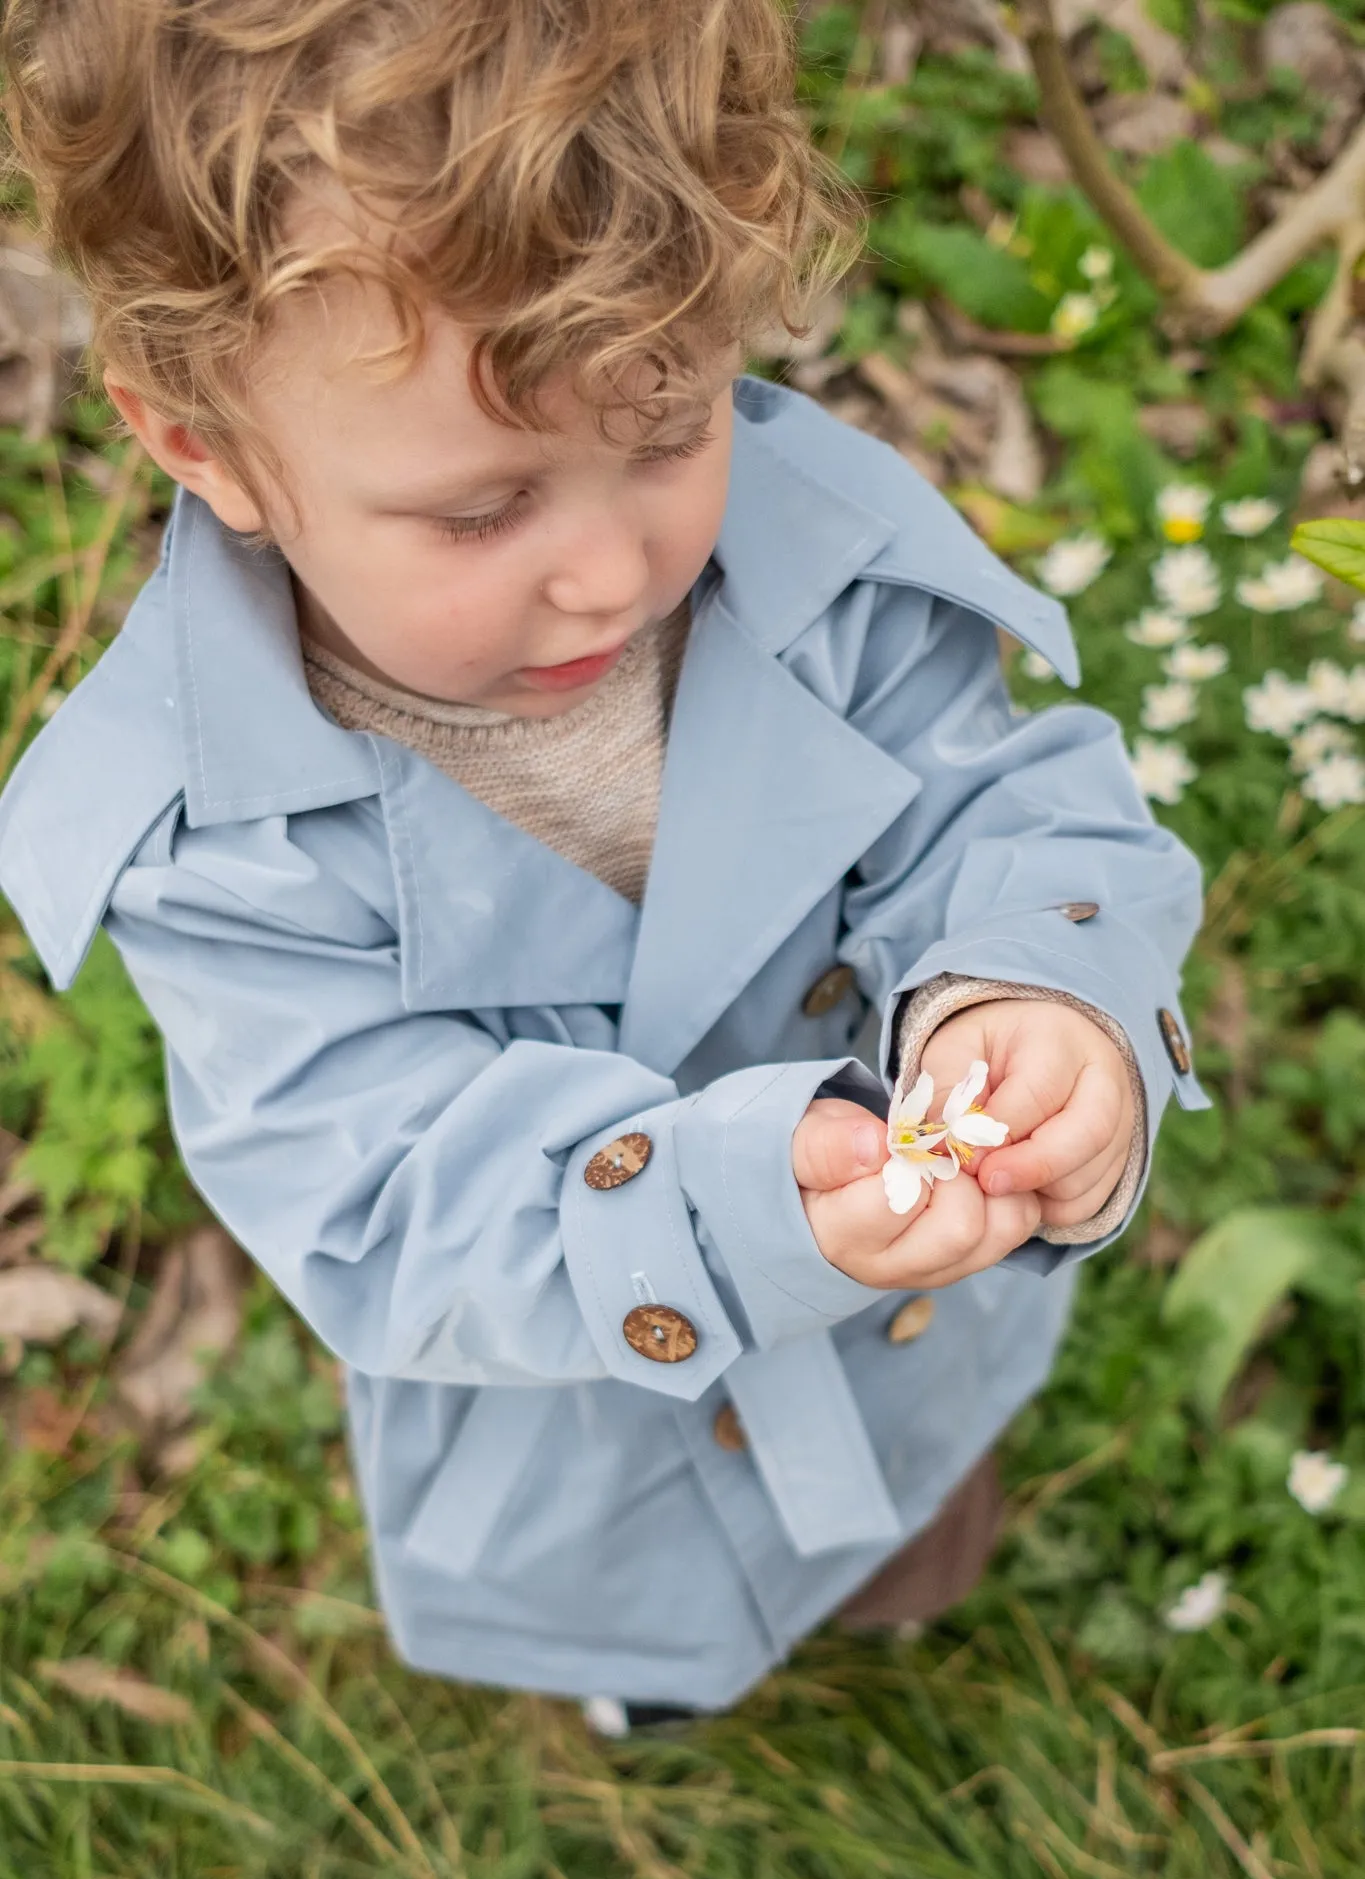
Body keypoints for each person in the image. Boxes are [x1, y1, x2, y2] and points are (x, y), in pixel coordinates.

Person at [0, 0, 1206, 1729]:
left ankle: (904, 1589)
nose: (606, 575)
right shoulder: (217, 842)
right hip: (582, 1419)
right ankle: (665, 1687)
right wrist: (723, 1199)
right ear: (203, 444)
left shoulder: (824, 571)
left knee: (916, 1520)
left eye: (668, 433)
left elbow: (1006, 810)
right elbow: (384, 1193)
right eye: (483, 510)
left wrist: (1040, 980)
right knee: (654, 1620)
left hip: (905, 1342)